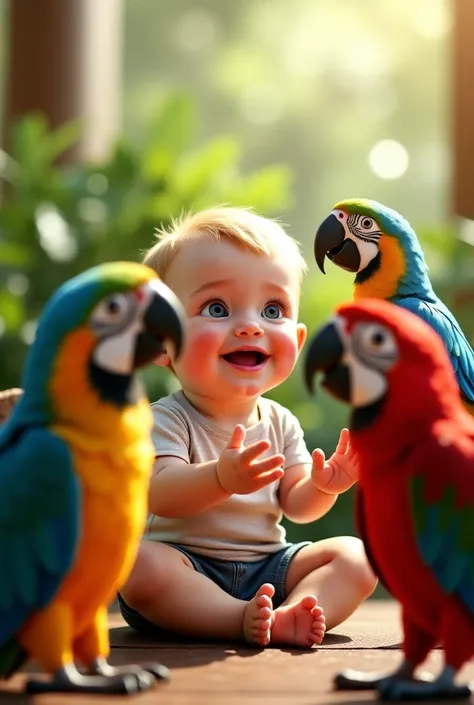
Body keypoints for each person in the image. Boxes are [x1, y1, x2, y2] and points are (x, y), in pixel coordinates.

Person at [119, 207, 377, 647]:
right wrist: (221, 477)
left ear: (296, 341)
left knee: (359, 557)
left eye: (272, 309)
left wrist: (326, 486)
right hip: (187, 566)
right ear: (162, 342)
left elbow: (297, 505)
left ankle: (298, 610)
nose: (251, 327)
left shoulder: (280, 421)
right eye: (216, 307)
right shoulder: (166, 418)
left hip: (269, 566)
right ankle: (238, 618)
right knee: (138, 565)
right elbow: (160, 493)